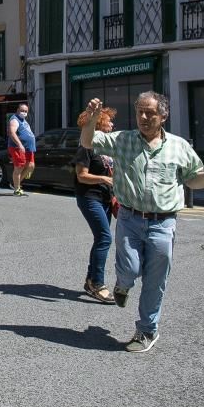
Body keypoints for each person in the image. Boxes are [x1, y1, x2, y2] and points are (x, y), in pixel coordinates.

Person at [80, 92, 204, 353]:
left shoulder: (179, 146)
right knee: (129, 268)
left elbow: (194, 179)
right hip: (129, 218)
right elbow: (88, 141)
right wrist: (91, 119)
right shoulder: (124, 140)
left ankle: (146, 330)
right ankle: (123, 284)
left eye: (150, 113)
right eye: (140, 112)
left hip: (163, 223)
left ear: (163, 116)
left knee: (155, 280)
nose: (144, 117)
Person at [74, 106, 118, 304]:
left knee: (101, 238)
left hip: (106, 198)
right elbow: (81, 176)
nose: (112, 124)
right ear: (99, 122)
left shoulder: (107, 147)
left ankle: (90, 280)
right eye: (109, 120)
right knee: (105, 238)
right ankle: (98, 284)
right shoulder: (86, 146)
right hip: (89, 197)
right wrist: (103, 179)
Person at [7, 103, 35, 197]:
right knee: (19, 167)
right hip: (17, 147)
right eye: (22, 110)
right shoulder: (14, 119)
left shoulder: (23, 120)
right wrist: (20, 145)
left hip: (28, 148)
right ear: (17, 110)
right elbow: (11, 132)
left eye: (26, 111)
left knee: (31, 166)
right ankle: (17, 189)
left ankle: (15, 183)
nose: (24, 112)